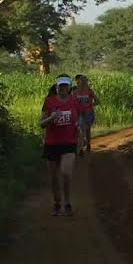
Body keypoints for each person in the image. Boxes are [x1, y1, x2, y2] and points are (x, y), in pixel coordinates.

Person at [40, 74, 81, 216]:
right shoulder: (49, 101)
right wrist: (51, 118)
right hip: (52, 144)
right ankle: (57, 203)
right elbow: (41, 123)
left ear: (69, 87)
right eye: (60, 86)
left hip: (69, 143)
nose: (63, 88)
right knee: (53, 177)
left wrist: (78, 127)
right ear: (56, 88)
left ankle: (67, 203)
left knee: (65, 173)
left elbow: (78, 119)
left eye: (66, 86)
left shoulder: (74, 101)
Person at [72, 74, 100, 155]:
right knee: (81, 129)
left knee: (86, 130)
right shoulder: (75, 91)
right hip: (79, 113)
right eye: (82, 81)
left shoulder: (90, 91)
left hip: (88, 113)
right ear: (79, 82)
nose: (83, 83)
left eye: (85, 81)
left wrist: (90, 105)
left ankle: (88, 144)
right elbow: (72, 102)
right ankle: (80, 148)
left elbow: (97, 101)